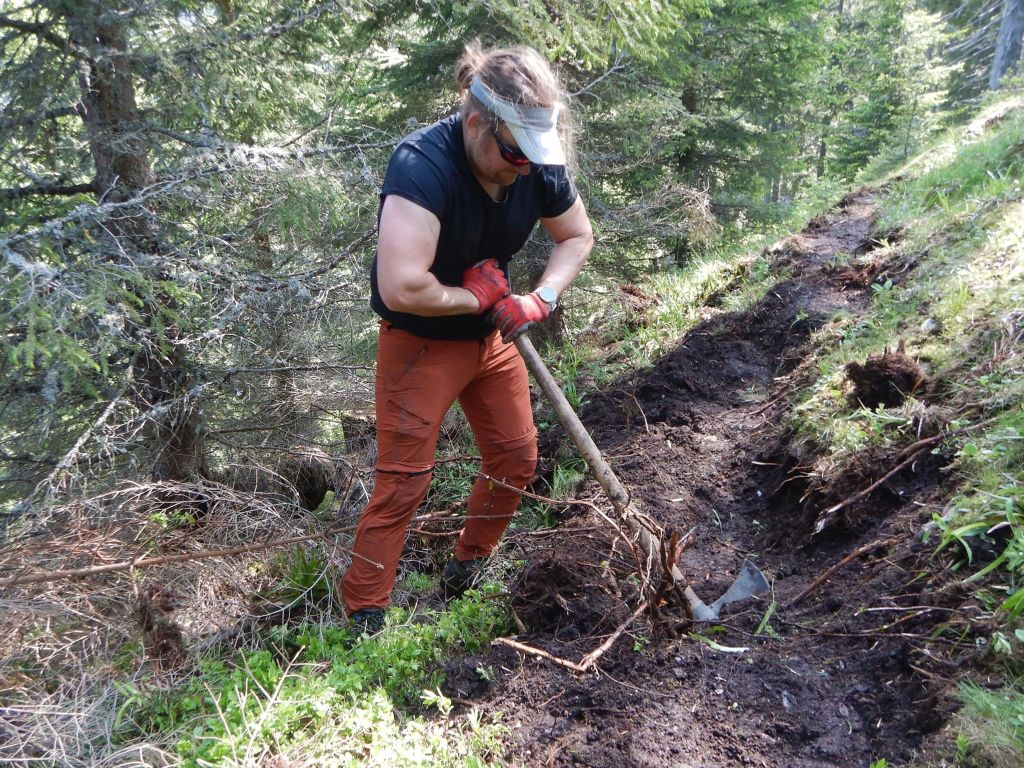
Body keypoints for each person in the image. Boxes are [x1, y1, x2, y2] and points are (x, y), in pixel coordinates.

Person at [341, 41, 594, 634]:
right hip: (421, 342)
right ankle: (365, 609)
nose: (524, 166)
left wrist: (540, 298)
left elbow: (576, 235)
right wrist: (473, 297)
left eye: (534, 155)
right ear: (476, 122)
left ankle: (466, 568)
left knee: (515, 455)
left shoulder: (534, 160)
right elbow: (402, 286)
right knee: (405, 479)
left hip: (494, 339)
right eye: (513, 153)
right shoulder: (421, 167)